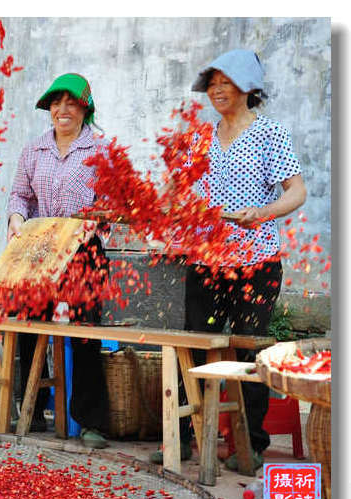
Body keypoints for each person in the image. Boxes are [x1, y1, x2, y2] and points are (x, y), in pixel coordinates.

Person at [150, 49, 307, 470]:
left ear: (248, 88)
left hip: (256, 260)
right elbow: (177, 190)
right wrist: (157, 210)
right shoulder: (201, 137)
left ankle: (249, 443)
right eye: (213, 82)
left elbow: (296, 191)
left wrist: (263, 212)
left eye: (227, 81)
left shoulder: (270, 133)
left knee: (246, 347)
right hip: (205, 258)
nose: (217, 89)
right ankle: (181, 437)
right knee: (195, 343)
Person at [6, 73, 110, 447]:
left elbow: (112, 202)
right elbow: (19, 196)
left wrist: (94, 219)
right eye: (55, 103)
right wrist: (17, 219)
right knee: (30, 328)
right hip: (40, 248)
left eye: (71, 103)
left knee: (84, 335)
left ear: (85, 109)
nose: (62, 109)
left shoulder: (101, 149)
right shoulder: (34, 150)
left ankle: (92, 421)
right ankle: (30, 409)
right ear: (49, 109)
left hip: (84, 249)